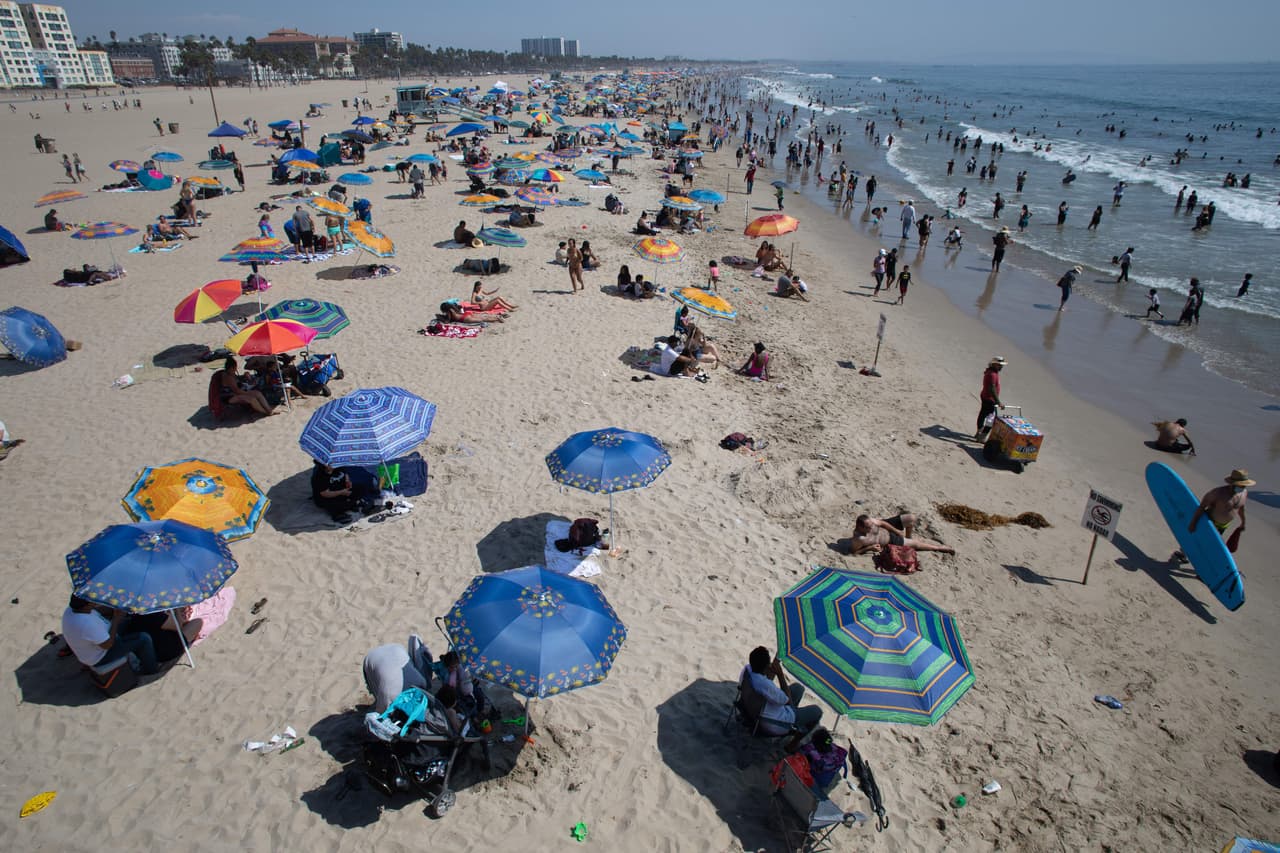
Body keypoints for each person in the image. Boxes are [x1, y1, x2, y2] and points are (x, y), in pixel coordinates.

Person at [743, 645, 822, 748]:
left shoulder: (748, 672)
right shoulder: (766, 686)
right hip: (773, 722)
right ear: (766, 666)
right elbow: (787, 700)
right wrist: (780, 675)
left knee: (799, 688)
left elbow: (769, 685)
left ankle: (795, 719)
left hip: (756, 710)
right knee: (817, 711)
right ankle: (792, 744)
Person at [61, 595, 160, 676]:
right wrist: (116, 619)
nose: (94, 601)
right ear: (87, 606)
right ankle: (151, 669)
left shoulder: (71, 610)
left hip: (101, 637)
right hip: (101, 656)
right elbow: (108, 645)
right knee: (144, 638)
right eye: (92, 601)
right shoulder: (86, 625)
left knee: (130, 620)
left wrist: (115, 608)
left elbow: (97, 611)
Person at [363, 637, 431, 712]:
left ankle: (378, 696)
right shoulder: (421, 683)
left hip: (387, 653)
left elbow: (381, 711)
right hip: (382, 655)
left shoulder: (389, 694)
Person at [1187, 469, 1252, 549]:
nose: (1243, 487)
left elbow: (1241, 508)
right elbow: (1202, 507)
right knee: (1196, 539)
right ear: (1232, 483)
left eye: (1244, 485)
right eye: (1241, 485)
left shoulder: (1244, 493)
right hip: (1209, 523)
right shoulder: (1217, 493)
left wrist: (1243, 522)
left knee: (1209, 543)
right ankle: (1182, 553)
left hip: (1223, 526)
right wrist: (1193, 523)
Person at [851, 512, 956, 556]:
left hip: (889, 530)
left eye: (871, 524)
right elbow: (854, 552)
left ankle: (908, 537)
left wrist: (896, 531)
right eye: (868, 527)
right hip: (889, 540)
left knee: (911, 518)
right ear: (861, 527)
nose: (872, 527)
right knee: (916, 544)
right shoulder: (859, 539)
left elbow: (883, 523)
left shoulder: (871, 522)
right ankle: (938, 547)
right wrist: (870, 548)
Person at [975, 356, 1006, 441]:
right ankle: (982, 436)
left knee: (983, 414)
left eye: (1002, 365)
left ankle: (979, 432)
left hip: (985, 396)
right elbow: (992, 388)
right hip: (989, 399)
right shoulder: (992, 374)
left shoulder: (991, 372)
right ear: (994, 364)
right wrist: (998, 402)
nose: (1001, 367)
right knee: (991, 420)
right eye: (999, 365)